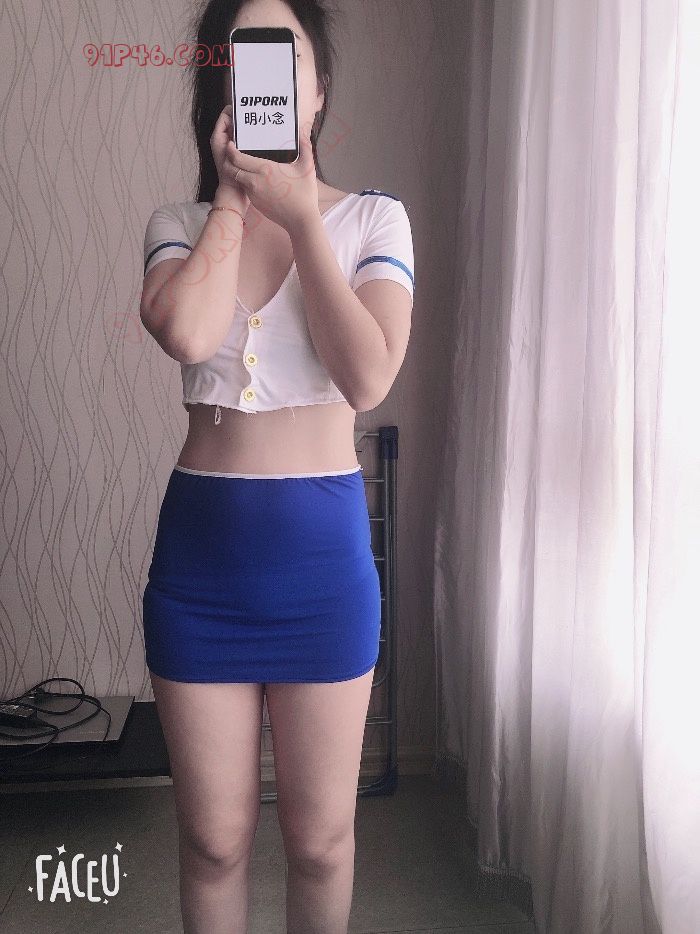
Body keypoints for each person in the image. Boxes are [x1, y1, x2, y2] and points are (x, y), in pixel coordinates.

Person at [139, 0, 414, 931]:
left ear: (318, 89)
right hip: (200, 573)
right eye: (242, 57)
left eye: (283, 55)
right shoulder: (180, 223)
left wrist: (302, 220)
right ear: (219, 87)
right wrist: (233, 200)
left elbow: (368, 375)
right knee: (213, 841)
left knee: (320, 843)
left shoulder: (375, 220)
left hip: (323, 573)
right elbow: (185, 332)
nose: (264, 77)